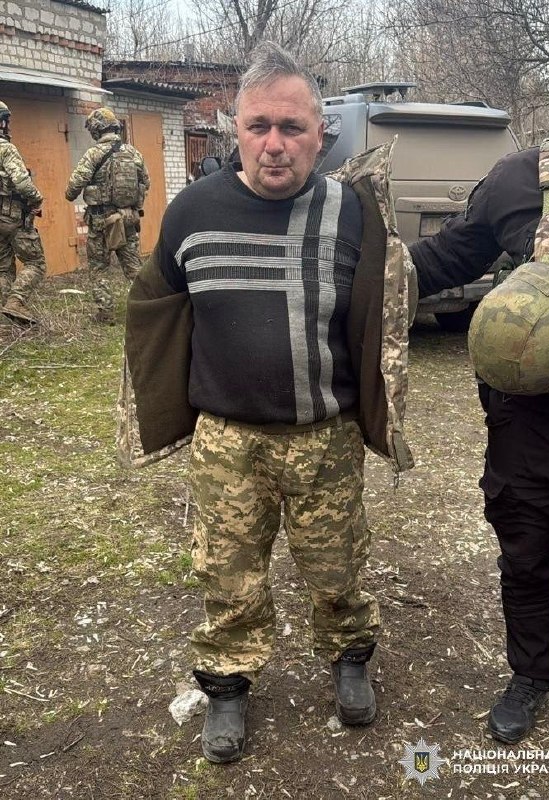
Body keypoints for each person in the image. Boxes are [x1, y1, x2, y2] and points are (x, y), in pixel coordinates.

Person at [122, 41, 422, 764]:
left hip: (325, 437)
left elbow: (387, 309)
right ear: (236, 129)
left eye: (292, 127)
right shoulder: (191, 212)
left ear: (321, 133)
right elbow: (158, 308)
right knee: (227, 575)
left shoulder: (352, 214)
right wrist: (163, 410)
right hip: (227, 442)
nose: (274, 144)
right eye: (258, 126)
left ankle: (350, 657)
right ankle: (228, 684)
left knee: (339, 567)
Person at [410, 84, 549, 744]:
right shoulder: (521, 179)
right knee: (526, 556)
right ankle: (531, 675)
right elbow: (444, 259)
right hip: (529, 423)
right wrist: (354, 261)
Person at [65, 108, 150, 324]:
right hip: (128, 219)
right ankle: (148, 310)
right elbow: (145, 182)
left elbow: (74, 187)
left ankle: (106, 314)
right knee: (134, 268)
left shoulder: (93, 154)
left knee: (98, 268)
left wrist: (72, 194)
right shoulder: (133, 153)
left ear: (96, 129)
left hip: (101, 222)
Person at [0, 100, 47, 325]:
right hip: (12, 217)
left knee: (3, 270)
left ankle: (5, 320)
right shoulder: (6, 149)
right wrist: (36, 199)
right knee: (36, 263)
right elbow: (22, 183)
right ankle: (15, 302)